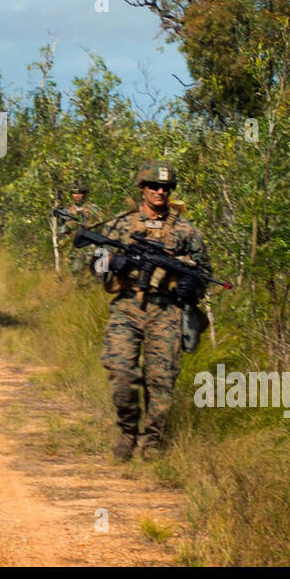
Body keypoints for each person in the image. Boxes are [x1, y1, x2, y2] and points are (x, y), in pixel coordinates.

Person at [91, 161, 212, 462]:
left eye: (166, 188)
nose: (161, 191)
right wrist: (112, 263)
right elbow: (94, 265)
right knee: (121, 371)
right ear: (142, 188)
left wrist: (190, 286)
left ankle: (153, 441)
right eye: (154, 186)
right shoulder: (120, 224)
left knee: (161, 379)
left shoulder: (186, 230)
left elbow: (205, 272)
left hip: (167, 311)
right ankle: (127, 433)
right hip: (127, 307)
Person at [57, 179, 99, 275]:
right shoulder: (67, 210)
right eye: (74, 193)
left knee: (91, 272)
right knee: (75, 272)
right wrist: (64, 247)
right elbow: (61, 232)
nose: (76, 196)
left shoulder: (93, 209)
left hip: (89, 246)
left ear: (84, 194)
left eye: (79, 193)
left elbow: (100, 227)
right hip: (73, 247)